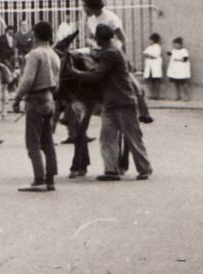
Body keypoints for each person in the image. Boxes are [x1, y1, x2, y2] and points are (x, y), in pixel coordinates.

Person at [65, 24, 152, 181]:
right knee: (107, 137)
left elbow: (96, 76)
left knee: (132, 136)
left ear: (100, 38)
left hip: (123, 101)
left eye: (96, 38)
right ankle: (111, 170)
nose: (95, 40)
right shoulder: (108, 51)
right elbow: (96, 55)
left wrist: (75, 73)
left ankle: (145, 168)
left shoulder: (111, 53)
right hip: (110, 102)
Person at [12, 21, 61, 192]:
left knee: (32, 142)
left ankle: (38, 178)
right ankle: (50, 179)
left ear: (35, 35)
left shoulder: (34, 54)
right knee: (48, 141)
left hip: (35, 100)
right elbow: (57, 82)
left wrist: (17, 98)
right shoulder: (54, 55)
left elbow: (27, 80)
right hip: (49, 99)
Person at [167, 36, 191, 101]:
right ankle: (177, 95)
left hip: (181, 70)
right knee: (176, 83)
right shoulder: (173, 50)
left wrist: (177, 59)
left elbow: (185, 59)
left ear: (180, 44)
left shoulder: (184, 51)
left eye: (176, 44)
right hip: (175, 70)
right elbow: (169, 54)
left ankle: (187, 96)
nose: (175, 46)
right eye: (174, 45)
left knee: (183, 83)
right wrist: (169, 50)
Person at [142, 32, 164, 99]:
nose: (149, 41)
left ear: (154, 40)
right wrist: (148, 55)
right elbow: (144, 53)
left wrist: (148, 55)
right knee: (150, 80)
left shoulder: (157, 47)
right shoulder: (149, 47)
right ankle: (151, 94)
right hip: (149, 66)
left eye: (151, 40)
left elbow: (155, 55)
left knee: (156, 80)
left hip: (155, 66)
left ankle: (157, 95)